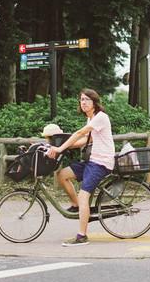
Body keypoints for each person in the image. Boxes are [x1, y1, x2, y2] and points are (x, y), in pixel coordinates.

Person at [46, 88, 116, 246]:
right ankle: (76, 205)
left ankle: (82, 236)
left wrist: (60, 148)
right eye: (81, 99)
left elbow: (79, 134)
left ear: (94, 103)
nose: (83, 102)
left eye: (87, 100)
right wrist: (64, 147)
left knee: (84, 195)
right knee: (62, 175)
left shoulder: (100, 117)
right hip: (92, 161)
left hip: (101, 163)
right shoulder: (91, 119)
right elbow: (86, 140)